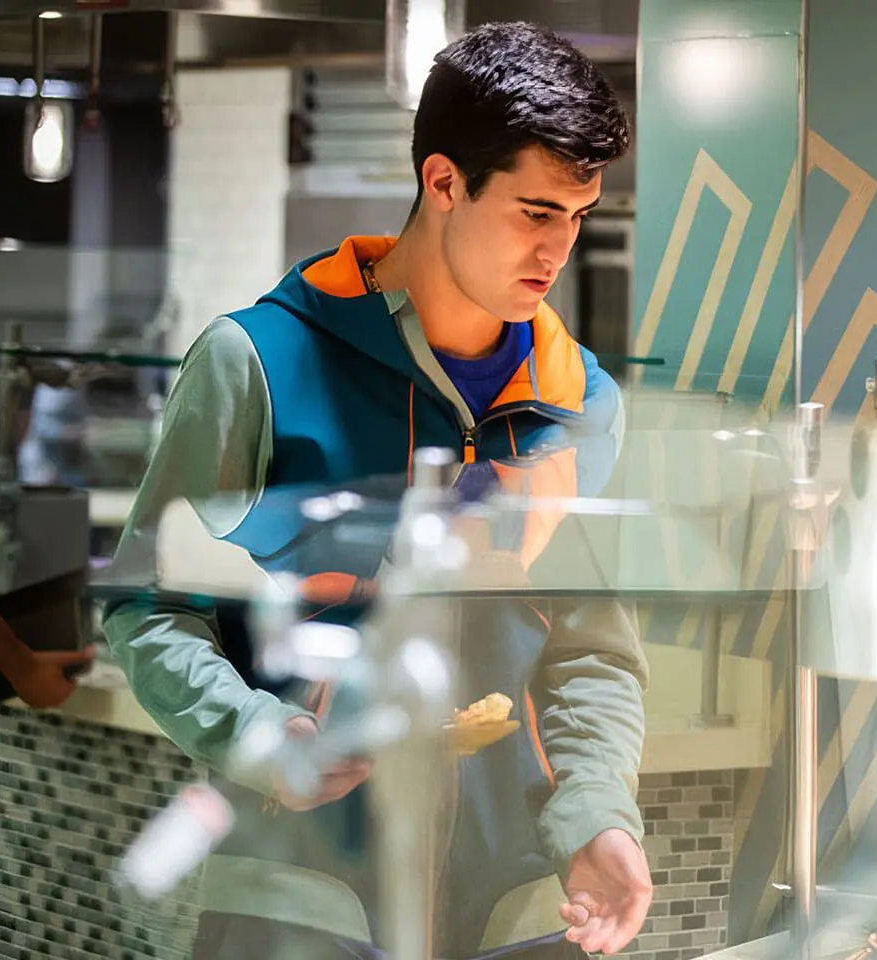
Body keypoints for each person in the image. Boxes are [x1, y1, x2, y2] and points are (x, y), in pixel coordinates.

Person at [102, 23, 650, 959]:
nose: (557, 248)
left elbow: (590, 652)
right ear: (443, 182)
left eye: (576, 216)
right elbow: (150, 611)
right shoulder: (259, 363)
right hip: (301, 884)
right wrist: (262, 736)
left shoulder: (579, 402)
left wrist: (600, 814)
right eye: (533, 211)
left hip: (518, 903)